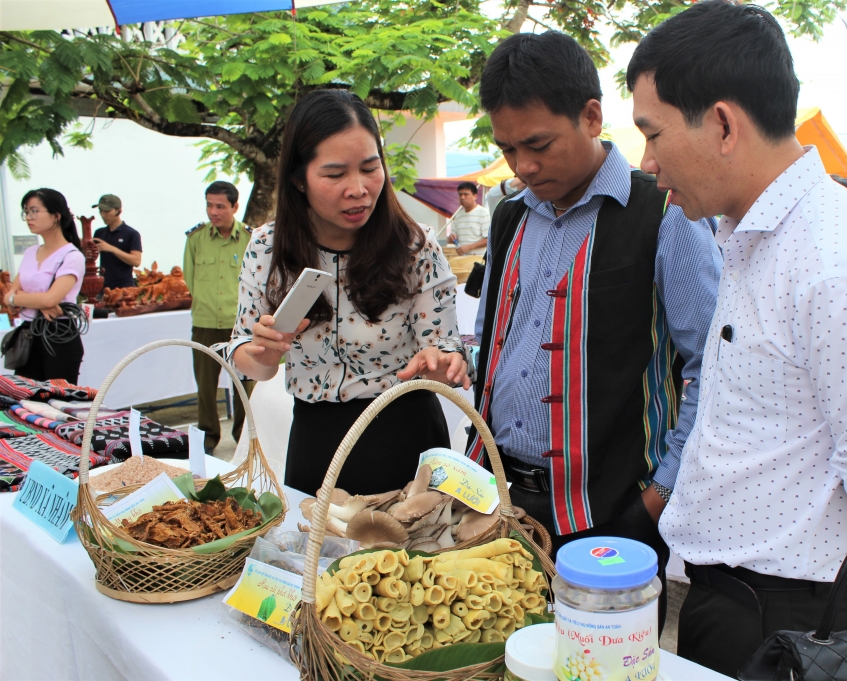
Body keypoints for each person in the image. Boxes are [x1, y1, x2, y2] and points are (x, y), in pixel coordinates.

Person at [627, 2, 847, 676]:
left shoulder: (836, 263)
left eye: (652, 135)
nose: (648, 163)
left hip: (790, 619)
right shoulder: (752, 238)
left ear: (721, 124)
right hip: (741, 600)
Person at [402, 30, 722, 631]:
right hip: (498, 497)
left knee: (601, 662)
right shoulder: (510, 215)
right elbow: (503, 334)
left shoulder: (663, 213)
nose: (522, 166)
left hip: (613, 511)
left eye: (538, 144)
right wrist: (462, 362)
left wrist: (656, 498)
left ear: (592, 116)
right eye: (507, 148)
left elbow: (712, 367)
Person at [222, 90, 468, 496]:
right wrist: (263, 354)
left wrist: (444, 362)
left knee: (419, 556)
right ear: (299, 178)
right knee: (319, 553)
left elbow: (444, 346)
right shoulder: (268, 248)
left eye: (370, 168)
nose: (358, 189)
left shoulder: (415, 247)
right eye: (335, 174)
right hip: (317, 441)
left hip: (406, 435)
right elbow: (251, 358)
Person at [183, 181, 255, 453]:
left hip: (242, 327)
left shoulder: (251, 238)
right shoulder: (195, 238)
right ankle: (207, 441)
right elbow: (190, 279)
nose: (213, 211)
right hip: (205, 322)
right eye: (209, 205)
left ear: (235, 206)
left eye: (220, 206)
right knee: (205, 387)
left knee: (244, 387)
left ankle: (243, 441)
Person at [6, 189, 86, 382]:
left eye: (34, 211)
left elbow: (51, 298)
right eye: (26, 212)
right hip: (28, 335)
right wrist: (37, 301)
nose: (28, 217)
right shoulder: (30, 252)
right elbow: (8, 297)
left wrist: (24, 299)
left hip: (58, 335)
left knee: (58, 401)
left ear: (56, 216)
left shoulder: (71, 256)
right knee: (26, 400)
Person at [91, 194, 142, 289]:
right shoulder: (99, 233)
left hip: (125, 288)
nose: (103, 215)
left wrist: (111, 249)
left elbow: (136, 261)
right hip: (103, 288)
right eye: (100, 211)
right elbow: (90, 257)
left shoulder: (131, 234)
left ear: (118, 211)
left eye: (106, 211)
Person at [446, 182, 490, 256]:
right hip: (462, 260)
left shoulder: (483, 213)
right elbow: (451, 239)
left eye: (466, 194)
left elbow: (489, 240)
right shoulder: (458, 215)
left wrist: (469, 247)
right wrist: (451, 238)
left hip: (478, 260)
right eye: (460, 194)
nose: (462, 197)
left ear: (475, 196)